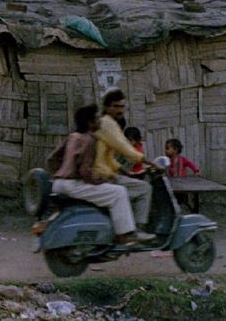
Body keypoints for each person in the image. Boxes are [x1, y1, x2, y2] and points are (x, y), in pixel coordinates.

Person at [49, 103, 150, 245]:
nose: (99, 122)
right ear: (90, 123)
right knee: (119, 192)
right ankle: (125, 235)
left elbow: (52, 159)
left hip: (58, 184)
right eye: (96, 119)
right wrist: (99, 181)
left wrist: (60, 174)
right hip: (73, 184)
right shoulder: (90, 140)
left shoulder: (73, 136)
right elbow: (85, 171)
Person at [93, 89, 154, 234]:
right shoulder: (108, 123)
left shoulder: (103, 123)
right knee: (144, 189)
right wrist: (152, 163)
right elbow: (125, 148)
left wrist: (129, 174)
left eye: (122, 106)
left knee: (134, 186)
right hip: (102, 175)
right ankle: (138, 231)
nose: (120, 110)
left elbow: (109, 158)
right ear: (107, 107)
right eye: (116, 106)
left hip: (104, 172)